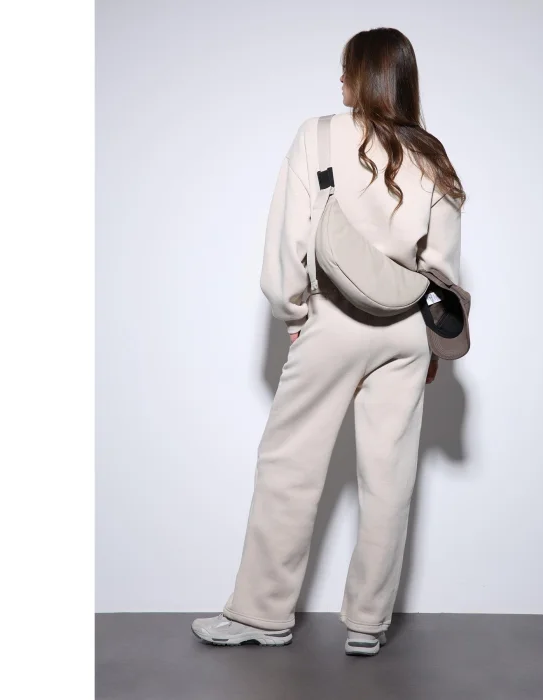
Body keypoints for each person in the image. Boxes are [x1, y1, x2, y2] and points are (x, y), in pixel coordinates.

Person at [192, 27, 465, 657]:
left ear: (362, 76)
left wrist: (295, 314)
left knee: (289, 466)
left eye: (346, 69)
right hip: (407, 330)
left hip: (334, 319)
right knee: (389, 476)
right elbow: (442, 267)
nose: (339, 81)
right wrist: (428, 343)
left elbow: (286, 243)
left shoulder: (316, 136)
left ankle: (262, 615)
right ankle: (368, 624)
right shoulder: (433, 156)